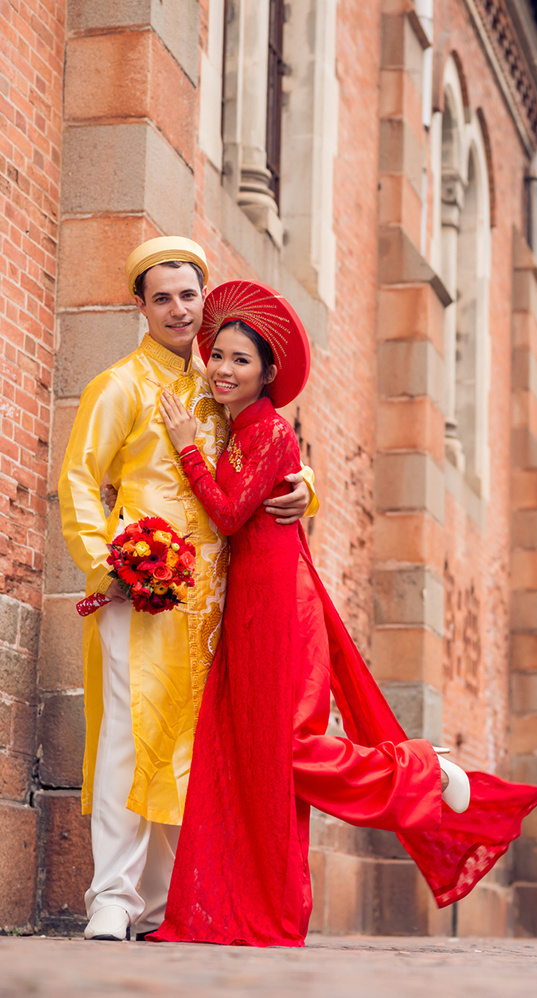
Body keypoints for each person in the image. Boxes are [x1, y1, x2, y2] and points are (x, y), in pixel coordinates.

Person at [148, 279, 537, 947]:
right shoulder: (237, 423)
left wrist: (189, 447)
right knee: (243, 750)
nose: (223, 369)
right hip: (250, 601)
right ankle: (242, 901)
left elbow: (225, 512)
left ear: (267, 373)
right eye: (217, 355)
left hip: (278, 604)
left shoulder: (268, 429)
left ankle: (418, 769)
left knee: (283, 750)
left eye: (241, 361)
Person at [58, 239, 317, 942]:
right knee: (126, 735)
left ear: (206, 303)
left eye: (188, 295)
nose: (178, 309)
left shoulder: (220, 386)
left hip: (217, 600)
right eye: (162, 296)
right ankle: (111, 894)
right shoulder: (120, 385)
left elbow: (270, 452)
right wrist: (103, 562)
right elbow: (80, 478)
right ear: (139, 305)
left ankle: (167, 897)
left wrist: (305, 491)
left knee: (194, 748)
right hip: (140, 591)